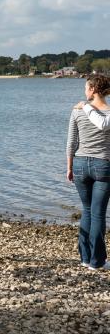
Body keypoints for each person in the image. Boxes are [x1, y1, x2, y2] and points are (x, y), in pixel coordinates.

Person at [67, 74, 110, 269]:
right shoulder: (109, 112)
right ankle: (97, 261)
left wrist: (69, 166)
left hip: (80, 165)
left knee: (86, 210)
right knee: (98, 214)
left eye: (86, 88)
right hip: (103, 165)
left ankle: (84, 258)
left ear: (92, 89)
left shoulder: (77, 111)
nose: (84, 91)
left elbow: (72, 143)